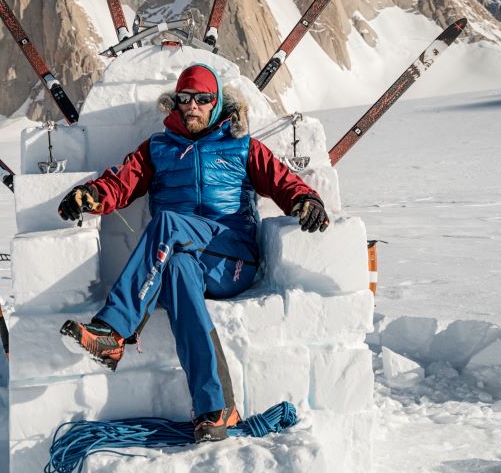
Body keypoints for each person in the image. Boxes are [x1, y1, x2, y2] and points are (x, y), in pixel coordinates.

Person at [56, 63, 329, 443]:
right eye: (186, 99)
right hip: (181, 256)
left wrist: (305, 199)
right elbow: (121, 182)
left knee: (169, 221)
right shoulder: (159, 148)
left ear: (217, 103)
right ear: (176, 103)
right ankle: (216, 409)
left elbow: (282, 180)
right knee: (178, 272)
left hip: (231, 261)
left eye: (203, 99)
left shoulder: (241, 145)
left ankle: (114, 330)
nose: (193, 106)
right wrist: (91, 196)